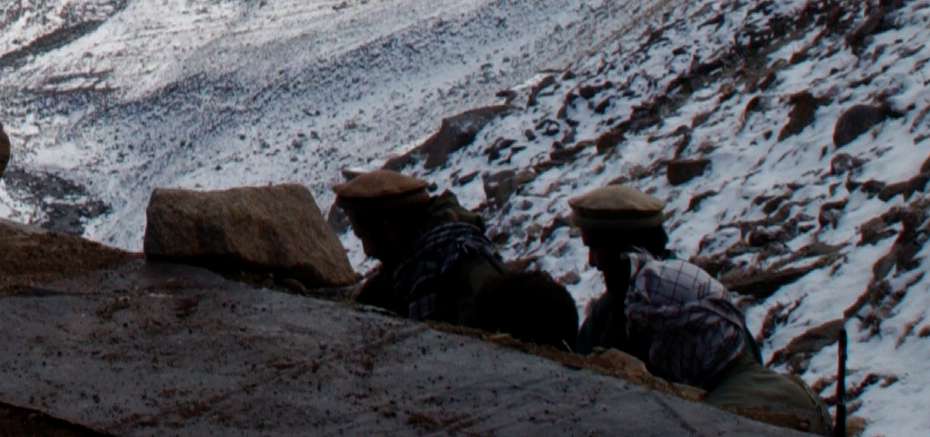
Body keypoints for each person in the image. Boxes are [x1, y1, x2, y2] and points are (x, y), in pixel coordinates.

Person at [568, 183, 825, 431]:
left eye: (595, 248)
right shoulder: (609, 315)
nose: (592, 262)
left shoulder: (690, 308)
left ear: (625, 249)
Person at [338, 170, 578, 348]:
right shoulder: (405, 273)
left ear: (387, 231)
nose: (367, 252)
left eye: (363, 238)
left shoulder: (464, 268)